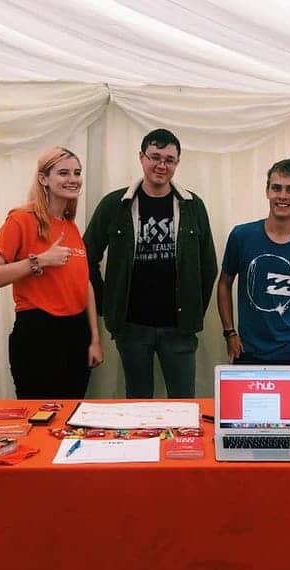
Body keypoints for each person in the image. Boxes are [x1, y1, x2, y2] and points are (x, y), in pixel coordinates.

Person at [84, 128, 217, 399]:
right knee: (138, 404)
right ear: (141, 157)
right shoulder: (115, 205)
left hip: (179, 329)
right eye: (155, 157)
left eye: (169, 159)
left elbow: (208, 266)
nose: (161, 165)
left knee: (182, 404)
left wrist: (192, 310)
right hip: (132, 328)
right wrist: (109, 303)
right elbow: (86, 258)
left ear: (177, 163)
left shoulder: (193, 206)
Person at [0, 146, 103, 399]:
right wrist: (40, 261)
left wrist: (94, 339)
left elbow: (85, 284)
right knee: (39, 419)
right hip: (38, 332)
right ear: (43, 179)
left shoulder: (71, 227)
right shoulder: (21, 219)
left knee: (69, 418)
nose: (73, 179)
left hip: (76, 334)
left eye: (77, 173)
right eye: (63, 173)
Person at [217, 159, 290, 389]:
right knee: (248, 421)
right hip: (249, 351)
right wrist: (230, 333)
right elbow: (223, 284)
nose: (282, 195)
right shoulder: (241, 236)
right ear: (267, 191)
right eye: (276, 187)